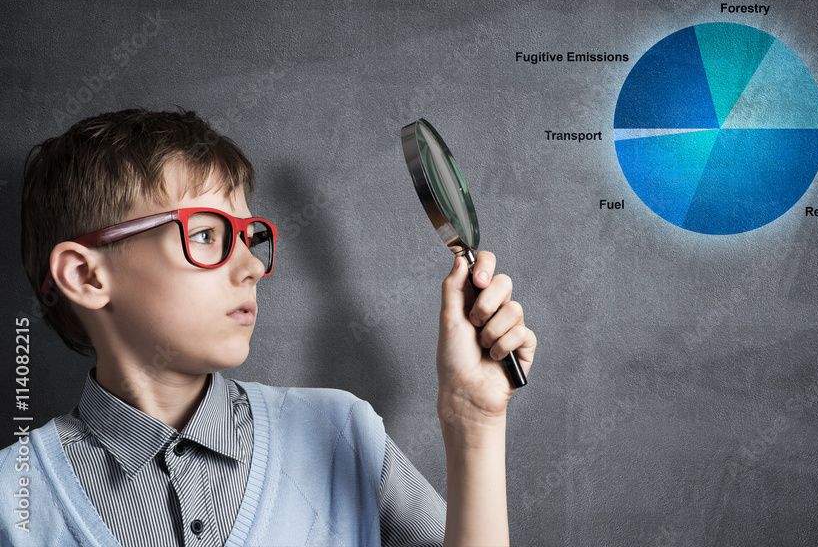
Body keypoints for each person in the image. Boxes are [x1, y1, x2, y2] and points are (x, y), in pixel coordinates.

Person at [0, 109, 536, 546]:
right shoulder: (13, 498)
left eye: (250, 237)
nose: (253, 266)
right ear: (86, 275)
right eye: (207, 235)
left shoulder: (341, 431)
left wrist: (475, 424)